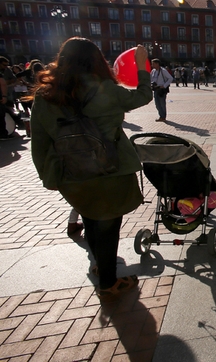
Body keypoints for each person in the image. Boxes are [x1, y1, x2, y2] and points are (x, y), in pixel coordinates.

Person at [30, 38, 153, 300]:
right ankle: (108, 281)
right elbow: (143, 95)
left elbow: (39, 142)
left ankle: (99, 264)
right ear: (97, 60)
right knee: (108, 225)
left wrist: (48, 176)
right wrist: (142, 66)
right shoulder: (105, 89)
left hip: (70, 173)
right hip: (109, 170)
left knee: (89, 216)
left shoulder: (45, 94)